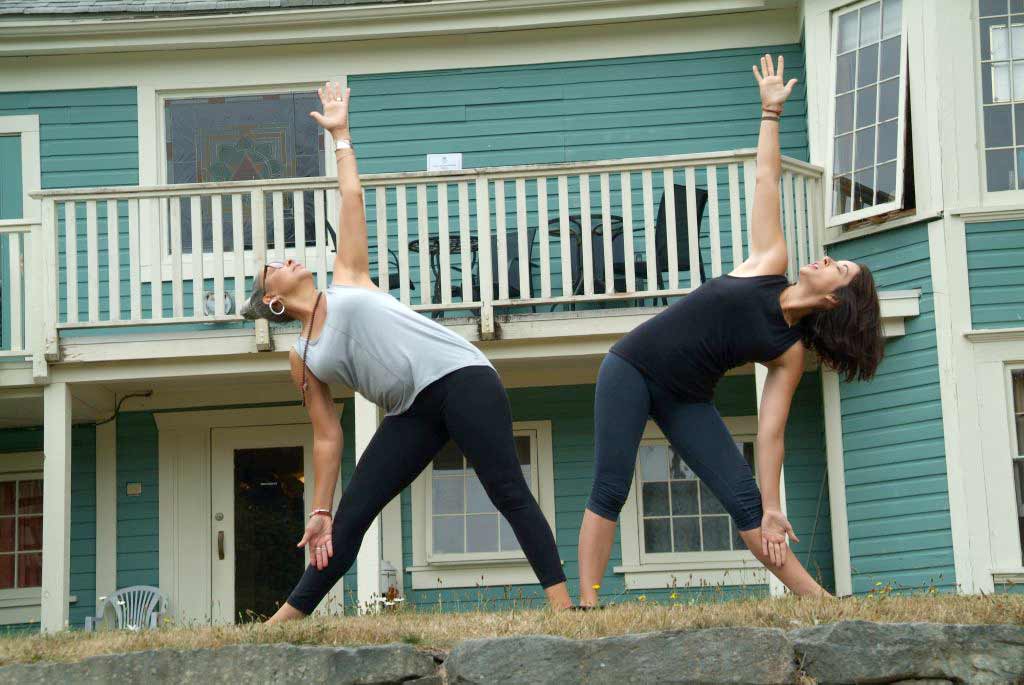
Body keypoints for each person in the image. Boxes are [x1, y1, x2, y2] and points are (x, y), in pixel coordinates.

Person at [241, 81, 572, 622]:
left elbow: (351, 198)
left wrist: (342, 135)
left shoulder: (347, 279)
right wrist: (319, 508)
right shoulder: (301, 358)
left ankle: (565, 609)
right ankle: (281, 626)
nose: (286, 260)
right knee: (348, 521)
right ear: (272, 300)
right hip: (411, 410)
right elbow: (328, 436)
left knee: (506, 488)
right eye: (273, 268)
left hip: (462, 376)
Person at [575, 54, 884, 607]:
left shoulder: (788, 353)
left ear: (835, 300)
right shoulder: (771, 261)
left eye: (836, 268)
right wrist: (770, 112)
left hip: (685, 397)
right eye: (833, 258)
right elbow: (766, 178)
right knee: (611, 486)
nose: (824, 259)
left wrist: (771, 503)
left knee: (747, 505)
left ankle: (821, 605)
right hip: (631, 367)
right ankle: (587, 607)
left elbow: (770, 434)